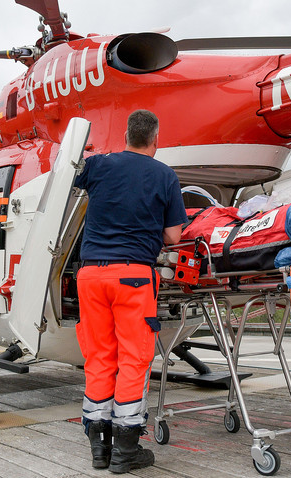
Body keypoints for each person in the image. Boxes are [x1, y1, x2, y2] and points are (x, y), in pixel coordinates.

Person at [73, 110, 187, 473]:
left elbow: (70, 180)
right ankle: (125, 450)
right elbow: (172, 237)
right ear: (156, 139)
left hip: (90, 275)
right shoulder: (164, 175)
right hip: (133, 277)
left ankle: (98, 450)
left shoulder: (99, 165)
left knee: (99, 356)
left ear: (125, 135)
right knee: (133, 359)